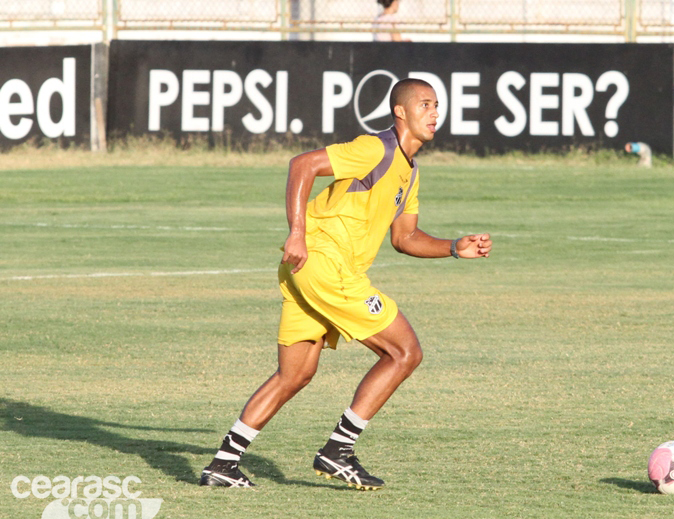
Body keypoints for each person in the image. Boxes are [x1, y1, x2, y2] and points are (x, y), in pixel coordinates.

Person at [199, 78, 492, 491]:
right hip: (323, 264)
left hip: (308, 269)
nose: (434, 113)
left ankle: (222, 464)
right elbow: (303, 164)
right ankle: (339, 450)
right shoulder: (377, 149)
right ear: (401, 112)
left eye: (437, 106)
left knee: (295, 375)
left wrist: (455, 249)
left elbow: (405, 238)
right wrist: (297, 231)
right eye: (425, 104)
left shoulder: (409, 172)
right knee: (404, 351)